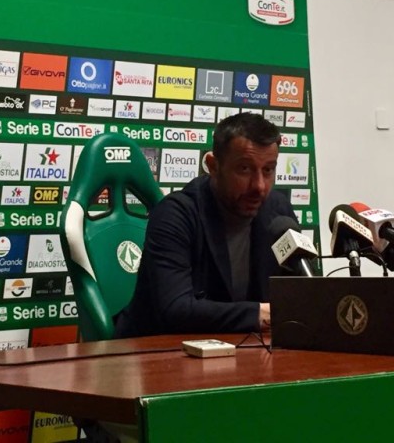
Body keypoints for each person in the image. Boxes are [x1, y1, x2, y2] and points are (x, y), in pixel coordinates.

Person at [113, 112, 298, 337]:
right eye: (244, 169)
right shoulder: (175, 214)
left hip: (242, 347)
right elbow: (175, 310)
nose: (259, 186)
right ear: (213, 166)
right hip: (154, 350)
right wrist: (260, 314)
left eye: (268, 170)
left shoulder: (277, 211)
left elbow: (304, 294)